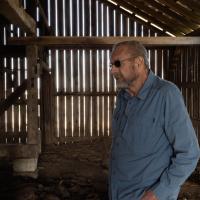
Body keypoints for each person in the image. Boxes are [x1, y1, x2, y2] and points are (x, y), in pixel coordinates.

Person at [109, 40, 200, 200]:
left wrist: (157, 194)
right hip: (118, 192)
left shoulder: (166, 94)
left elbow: (189, 153)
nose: (112, 70)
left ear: (138, 62)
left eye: (117, 64)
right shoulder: (123, 96)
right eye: (111, 65)